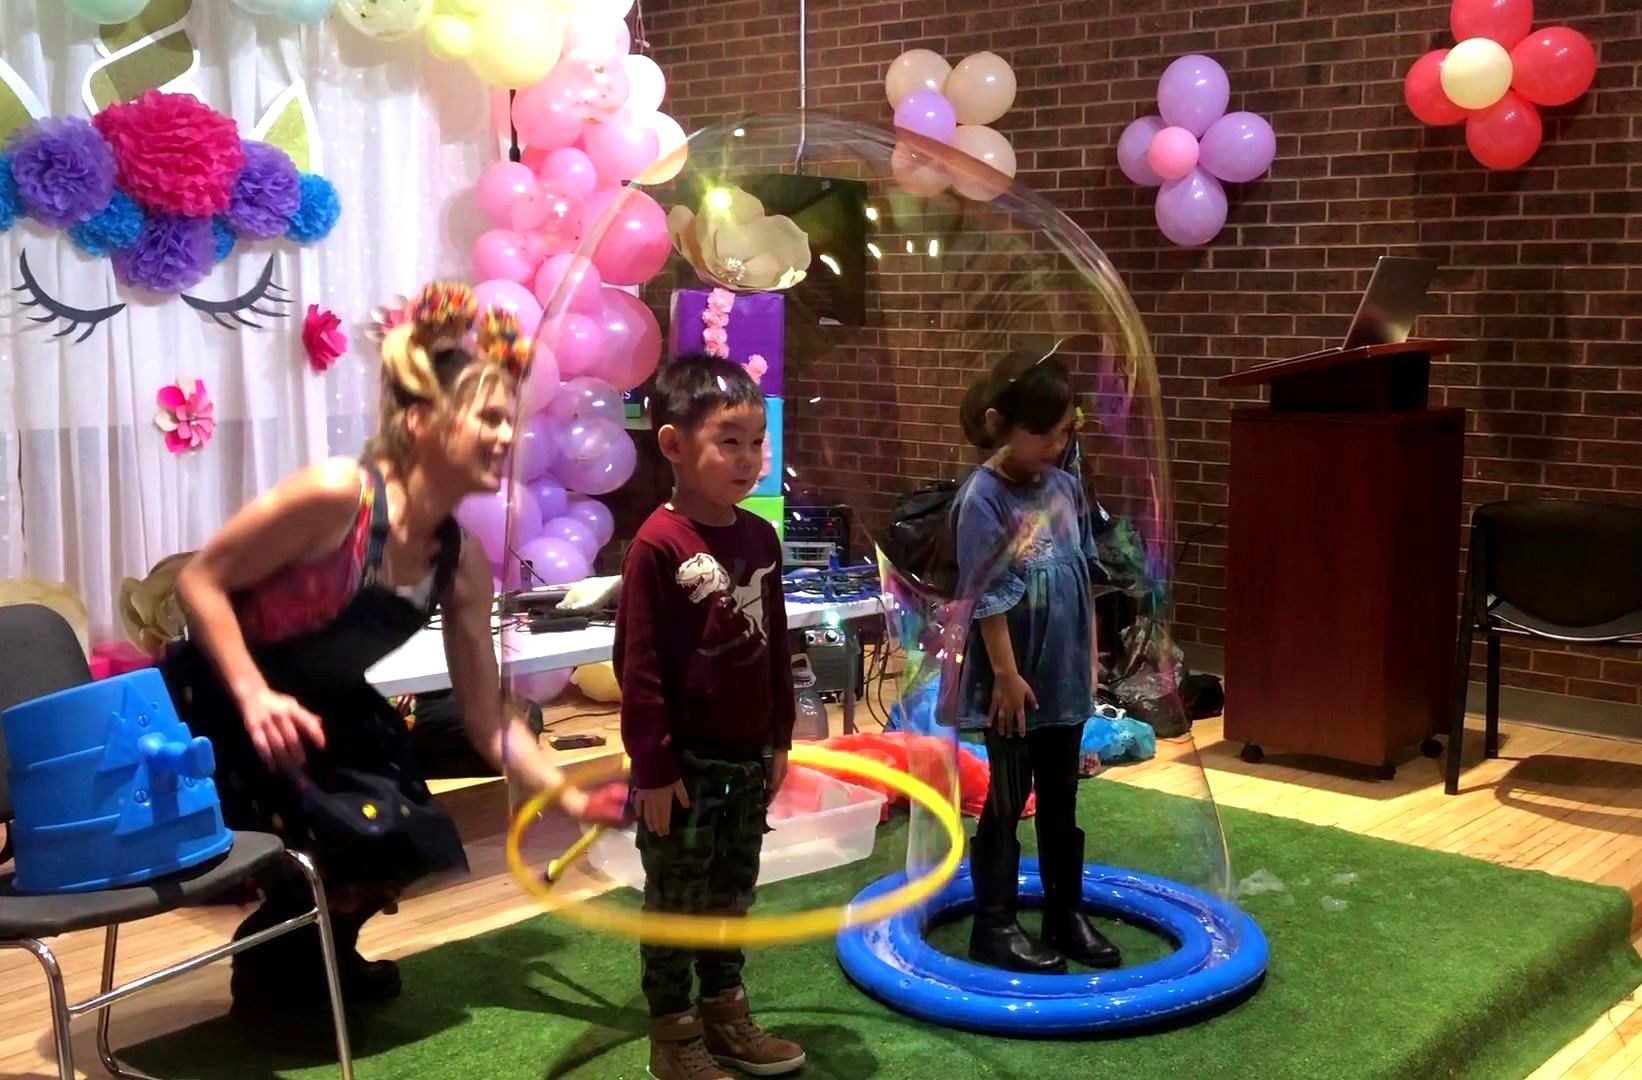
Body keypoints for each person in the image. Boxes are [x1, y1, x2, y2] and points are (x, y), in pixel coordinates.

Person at [163, 282, 598, 1015]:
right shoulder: (338, 496)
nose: (506, 437)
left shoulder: (459, 557)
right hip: (223, 699)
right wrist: (253, 692)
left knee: (405, 835)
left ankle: (314, 961)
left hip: (329, 707)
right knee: (340, 838)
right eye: (488, 418)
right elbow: (199, 582)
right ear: (424, 419)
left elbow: (489, 720)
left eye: (510, 421)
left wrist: (572, 791)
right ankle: (275, 968)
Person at [613, 356, 805, 1080]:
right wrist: (654, 769)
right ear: (672, 445)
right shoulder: (658, 546)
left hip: (747, 758)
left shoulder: (760, 540)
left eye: (758, 441)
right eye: (730, 441)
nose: (749, 458)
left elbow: (775, 645)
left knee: (731, 892)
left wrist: (778, 738)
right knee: (676, 902)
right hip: (685, 768)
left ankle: (727, 1014)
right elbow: (640, 669)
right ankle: (674, 1035)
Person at [953, 350, 1122, 974]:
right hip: (1014, 677)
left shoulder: (1063, 485)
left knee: (1061, 792)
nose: (1057, 443)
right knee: (1009, 792)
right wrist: (1004, 674)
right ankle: (993, 924)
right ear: (1002, 424)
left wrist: (1090, 656)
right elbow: (986, 593)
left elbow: (1079, 574)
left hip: (1063, 669)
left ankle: (1063, 912)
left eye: (1065, 431)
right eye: (1043, 432)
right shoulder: (982, 498)